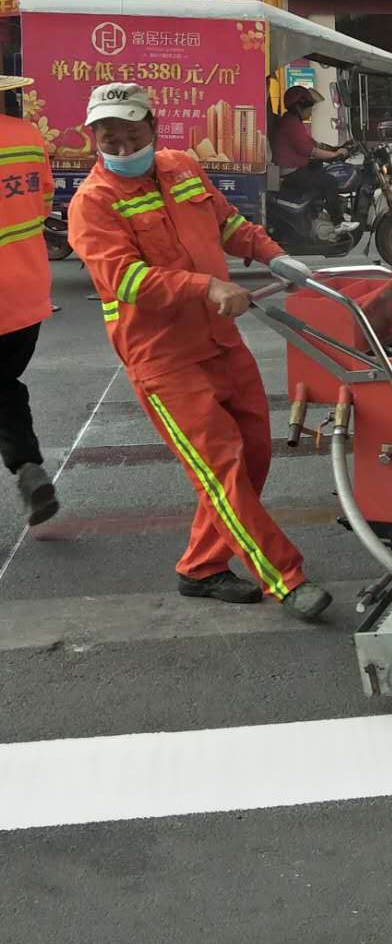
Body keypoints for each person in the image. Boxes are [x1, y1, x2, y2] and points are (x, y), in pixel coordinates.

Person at [68, 83, 332, 618]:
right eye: (109, 140)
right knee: (222, 466)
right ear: (92, 139)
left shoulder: (183, 167)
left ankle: (202, 566)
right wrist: (206, 287)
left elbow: (228, 223)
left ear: (153, 129)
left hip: (220, 339)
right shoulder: (93, 203)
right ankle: (285, 578)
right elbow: (127, 280)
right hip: (162, 356)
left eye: (131, 136)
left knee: (255, 452)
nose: (121, 149)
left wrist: (274, 256)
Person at [0, 73, 59, 528]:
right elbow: (42, 204)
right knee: (3, 384)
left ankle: (27, 464)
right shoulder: (26, 135)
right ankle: (27, 466)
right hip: (27, 293)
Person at [272, 85, 350, 234]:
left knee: (321, 169)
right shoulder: (291, 123)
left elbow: (311, 143)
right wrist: (334, 155)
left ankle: (317, 211)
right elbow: (309, 150)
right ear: (299, 106)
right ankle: (338, 223)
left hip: (294, 168)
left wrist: (334, 148)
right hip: (290, 172)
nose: (311, 111)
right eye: (309, 107)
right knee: (330, 181)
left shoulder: (293, 121)